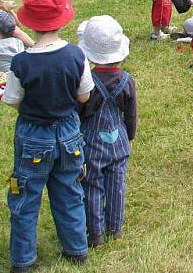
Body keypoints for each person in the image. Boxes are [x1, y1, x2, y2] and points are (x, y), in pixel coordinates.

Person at [1, 0, 93, 271]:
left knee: (25, 198)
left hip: (32, 134)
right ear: (62, 17)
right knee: (69, 190)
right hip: (68, 131)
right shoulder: (77, 55)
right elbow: (84, 95)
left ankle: (23, 260)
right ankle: (76, 248)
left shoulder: (21, 62)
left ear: (28, 20)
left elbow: (13, 101)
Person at [76, 15, 137, 248]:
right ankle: (115, 226)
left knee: (92, 185)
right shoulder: (127, 80)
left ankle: (96, 233)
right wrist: (130, 136)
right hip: (119, 139)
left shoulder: (86, 82)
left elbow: (79, 111)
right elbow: (130, 114)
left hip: (92, 142)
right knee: (117, 184)